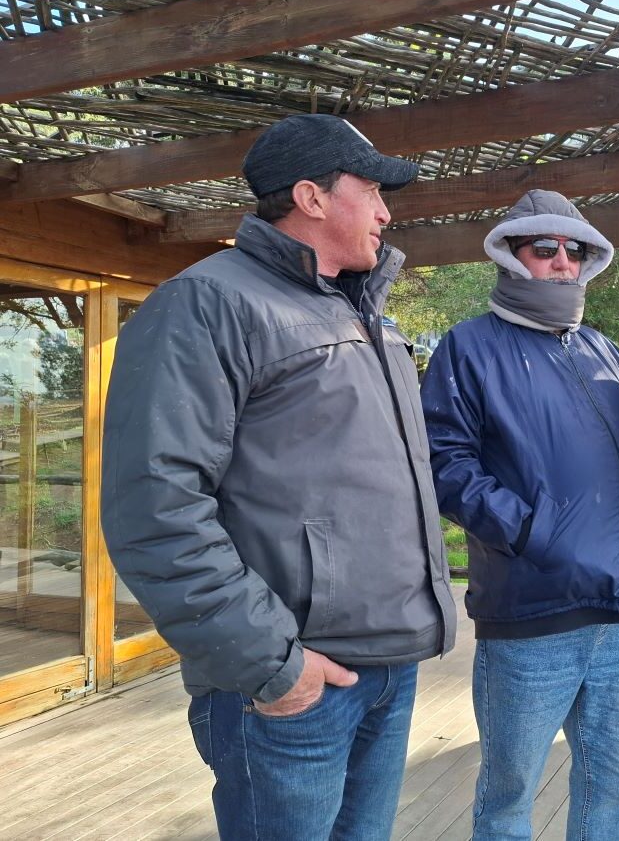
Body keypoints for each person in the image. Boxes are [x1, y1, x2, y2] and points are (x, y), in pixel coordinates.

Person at [101, 114, 457, 841]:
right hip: (292, 683)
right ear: (313, 197)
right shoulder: (206, 304)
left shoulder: (367, 318)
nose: (388, 211)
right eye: (373, 189)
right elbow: (155, 507)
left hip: (388, 666)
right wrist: (273, 665)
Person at [420, 190, 619, 841]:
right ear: (511, 256)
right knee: (510, 797)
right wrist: (538, 534)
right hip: (531, 615)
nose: (563, 261)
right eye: (545, 248)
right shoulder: (468, 347)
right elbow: (443, 463)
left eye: (576, 250)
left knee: (611, 782)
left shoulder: (605, 352)